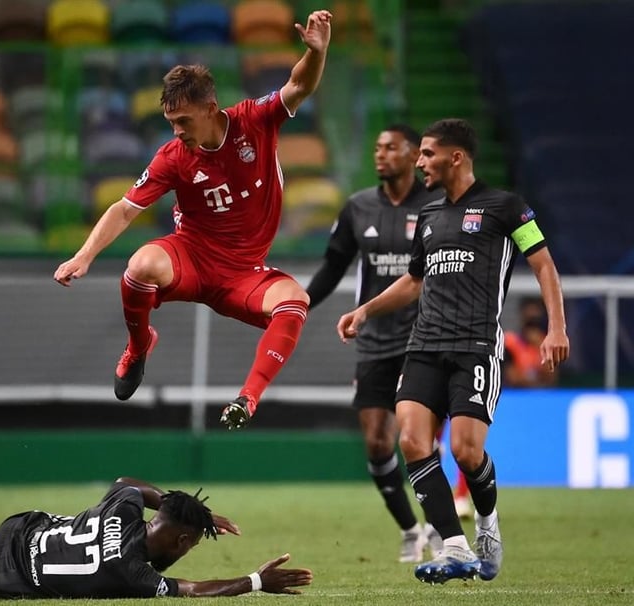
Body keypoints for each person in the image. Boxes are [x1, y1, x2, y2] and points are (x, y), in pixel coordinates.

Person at [53, 10, 333, 431]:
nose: (177, 131)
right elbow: (125, 209)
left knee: (296, 301)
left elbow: (298, 85)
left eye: (183, 121)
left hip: (244, 273)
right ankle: (139, 345)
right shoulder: (172, 157)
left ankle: (248, 398)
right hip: (193, 258)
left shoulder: (253, 121)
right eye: (171, 123)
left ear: (210, 109)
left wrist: (317, 53)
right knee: (141, 266)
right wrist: (84, 255)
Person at [336, 118, 569, 584]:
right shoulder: (429, 216)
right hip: (423, 345)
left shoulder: (507, 208)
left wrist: (556, 328)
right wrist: (366, 310)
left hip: (477, 346)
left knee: (465, 451)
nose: (420, 162)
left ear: (455, 157)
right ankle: (455, 547)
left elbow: (543, 265)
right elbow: (414, 281)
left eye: (426, 154)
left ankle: (487, 525)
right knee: (412, 441)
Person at [306, 124, 445, 563]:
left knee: (415, 434)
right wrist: (299, 305)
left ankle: (444, 529)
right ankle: (411, 529)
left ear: (412, 155)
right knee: (376, 442)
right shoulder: (358, 207)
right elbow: (333, 265)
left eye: (391, 148)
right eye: (377, 147)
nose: (381, 155)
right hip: (373, 341)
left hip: (424, 338)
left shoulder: (438, 207)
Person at [0, 477, 313, 598]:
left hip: (18, 524)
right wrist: (258, 581)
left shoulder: (126, 506)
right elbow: (192, 589)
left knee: (7, 574)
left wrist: (200, 514)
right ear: (183, 541)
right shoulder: (132, 571)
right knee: (3, 585)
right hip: (9, 570)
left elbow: (128, 483)